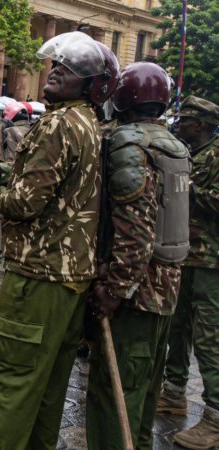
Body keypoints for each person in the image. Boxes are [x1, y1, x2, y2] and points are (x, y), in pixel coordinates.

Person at [0, 32, 119, 449]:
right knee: (46, 390)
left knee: (11, 383)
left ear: (93, 85)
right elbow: (64, 190)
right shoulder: (88, 123)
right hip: (70, 279)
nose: (57, 72)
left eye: (71, 70)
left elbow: (25, 204)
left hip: (38, 276)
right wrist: (4, 172)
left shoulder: (56, 124)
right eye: (57, 65)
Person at [85, 62, 190, 450]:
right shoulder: (174, 143)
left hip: (137, 293)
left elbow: (136, 232)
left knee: (116, 393)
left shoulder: (131, 145)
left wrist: (114, 288)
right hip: (167, 288)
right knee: (144, 386)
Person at [157, 96, 219, 450]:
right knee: (176, 326)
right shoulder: (191, 152)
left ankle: (214, 420)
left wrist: (188, 190)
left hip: (211, 261)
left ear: (199, 124)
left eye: (185, 119)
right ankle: (174, 392)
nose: (178, 123)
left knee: (209, 338)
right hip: (185, 255)